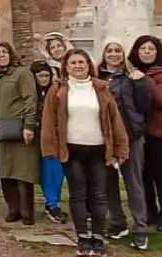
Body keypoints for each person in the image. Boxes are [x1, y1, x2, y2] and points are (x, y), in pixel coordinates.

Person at [41, 48, 129, 257]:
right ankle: (82, 238)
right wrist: (49, 148)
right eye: (73, 63)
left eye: (82, 62)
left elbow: (114, 120)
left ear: (88, 65)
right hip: (72, 150)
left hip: (98, 149)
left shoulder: (101, 88)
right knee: (78, 194)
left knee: (99, 195)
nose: (78, 66)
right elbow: (49, 120)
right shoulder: (59, 90)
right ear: (66, 67)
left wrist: (120, 147)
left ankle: (98, 238)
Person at [98, 40, 152, 250]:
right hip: (105, 138)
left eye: (117, 51)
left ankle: (140, 229)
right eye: (109, 51)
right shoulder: (97, 78)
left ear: (124, 55)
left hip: (130, 135)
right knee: (108, 183)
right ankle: (118, 223)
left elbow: (144, 105)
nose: (113, 54)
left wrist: (140, 83)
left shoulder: (133, 76)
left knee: (134, 183)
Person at [130, 34, 162, 232]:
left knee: (160, 174)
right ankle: (150, 212)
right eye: (143, 49)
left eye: (151, 49)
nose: (147, 52)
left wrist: (145, 80)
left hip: (158, 131)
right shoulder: (131, 72)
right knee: (143, 175)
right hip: (139, 132)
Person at [0, 42, 40, 225]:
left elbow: (30, 98)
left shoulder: (22, 73)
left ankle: (27, 211)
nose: (2, 55)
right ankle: (13, 208)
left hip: (20, 129)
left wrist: (29, 125)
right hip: (2, 130)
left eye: (5, 52)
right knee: (6, 171)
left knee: (23, 172)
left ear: (11, 54)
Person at [31, 60, 68, 224]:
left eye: (46, 75)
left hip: (53, 136)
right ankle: (51, 202)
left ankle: (54, 202)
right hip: (35, 135)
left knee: (55, 170)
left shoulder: (56, 91)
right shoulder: (32, 93)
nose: (44, 79)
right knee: (44, 171)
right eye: (40, 76)